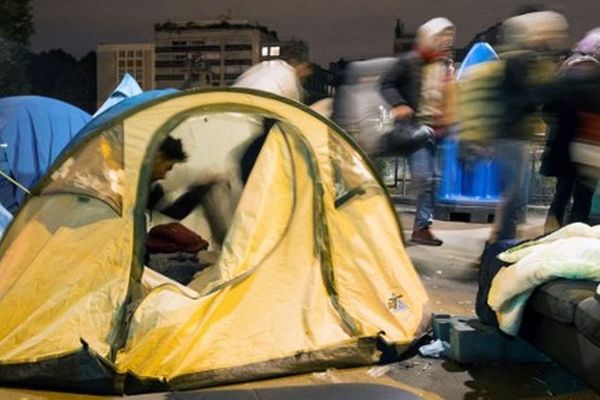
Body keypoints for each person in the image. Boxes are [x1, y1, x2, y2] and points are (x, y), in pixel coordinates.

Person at [380, 17, 456, 246]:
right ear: (430, 37)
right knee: (425, 179)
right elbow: (386, 84)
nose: (447, 41)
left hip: (437, 132)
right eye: (442, 36)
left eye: (450, 36)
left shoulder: (445, 65)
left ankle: (421, 228)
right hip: (416, 130)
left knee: (432, 180)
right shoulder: (410, 61)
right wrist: (399, 104)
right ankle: (414, 226)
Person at [541, 29, 600, 233]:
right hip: (588, 145)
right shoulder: (593, 75)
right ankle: (575, 236)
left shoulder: (566, 71)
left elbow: (548, 108)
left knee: (561, 195)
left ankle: (549, 235)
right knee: (582, 198)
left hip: (563, 145)